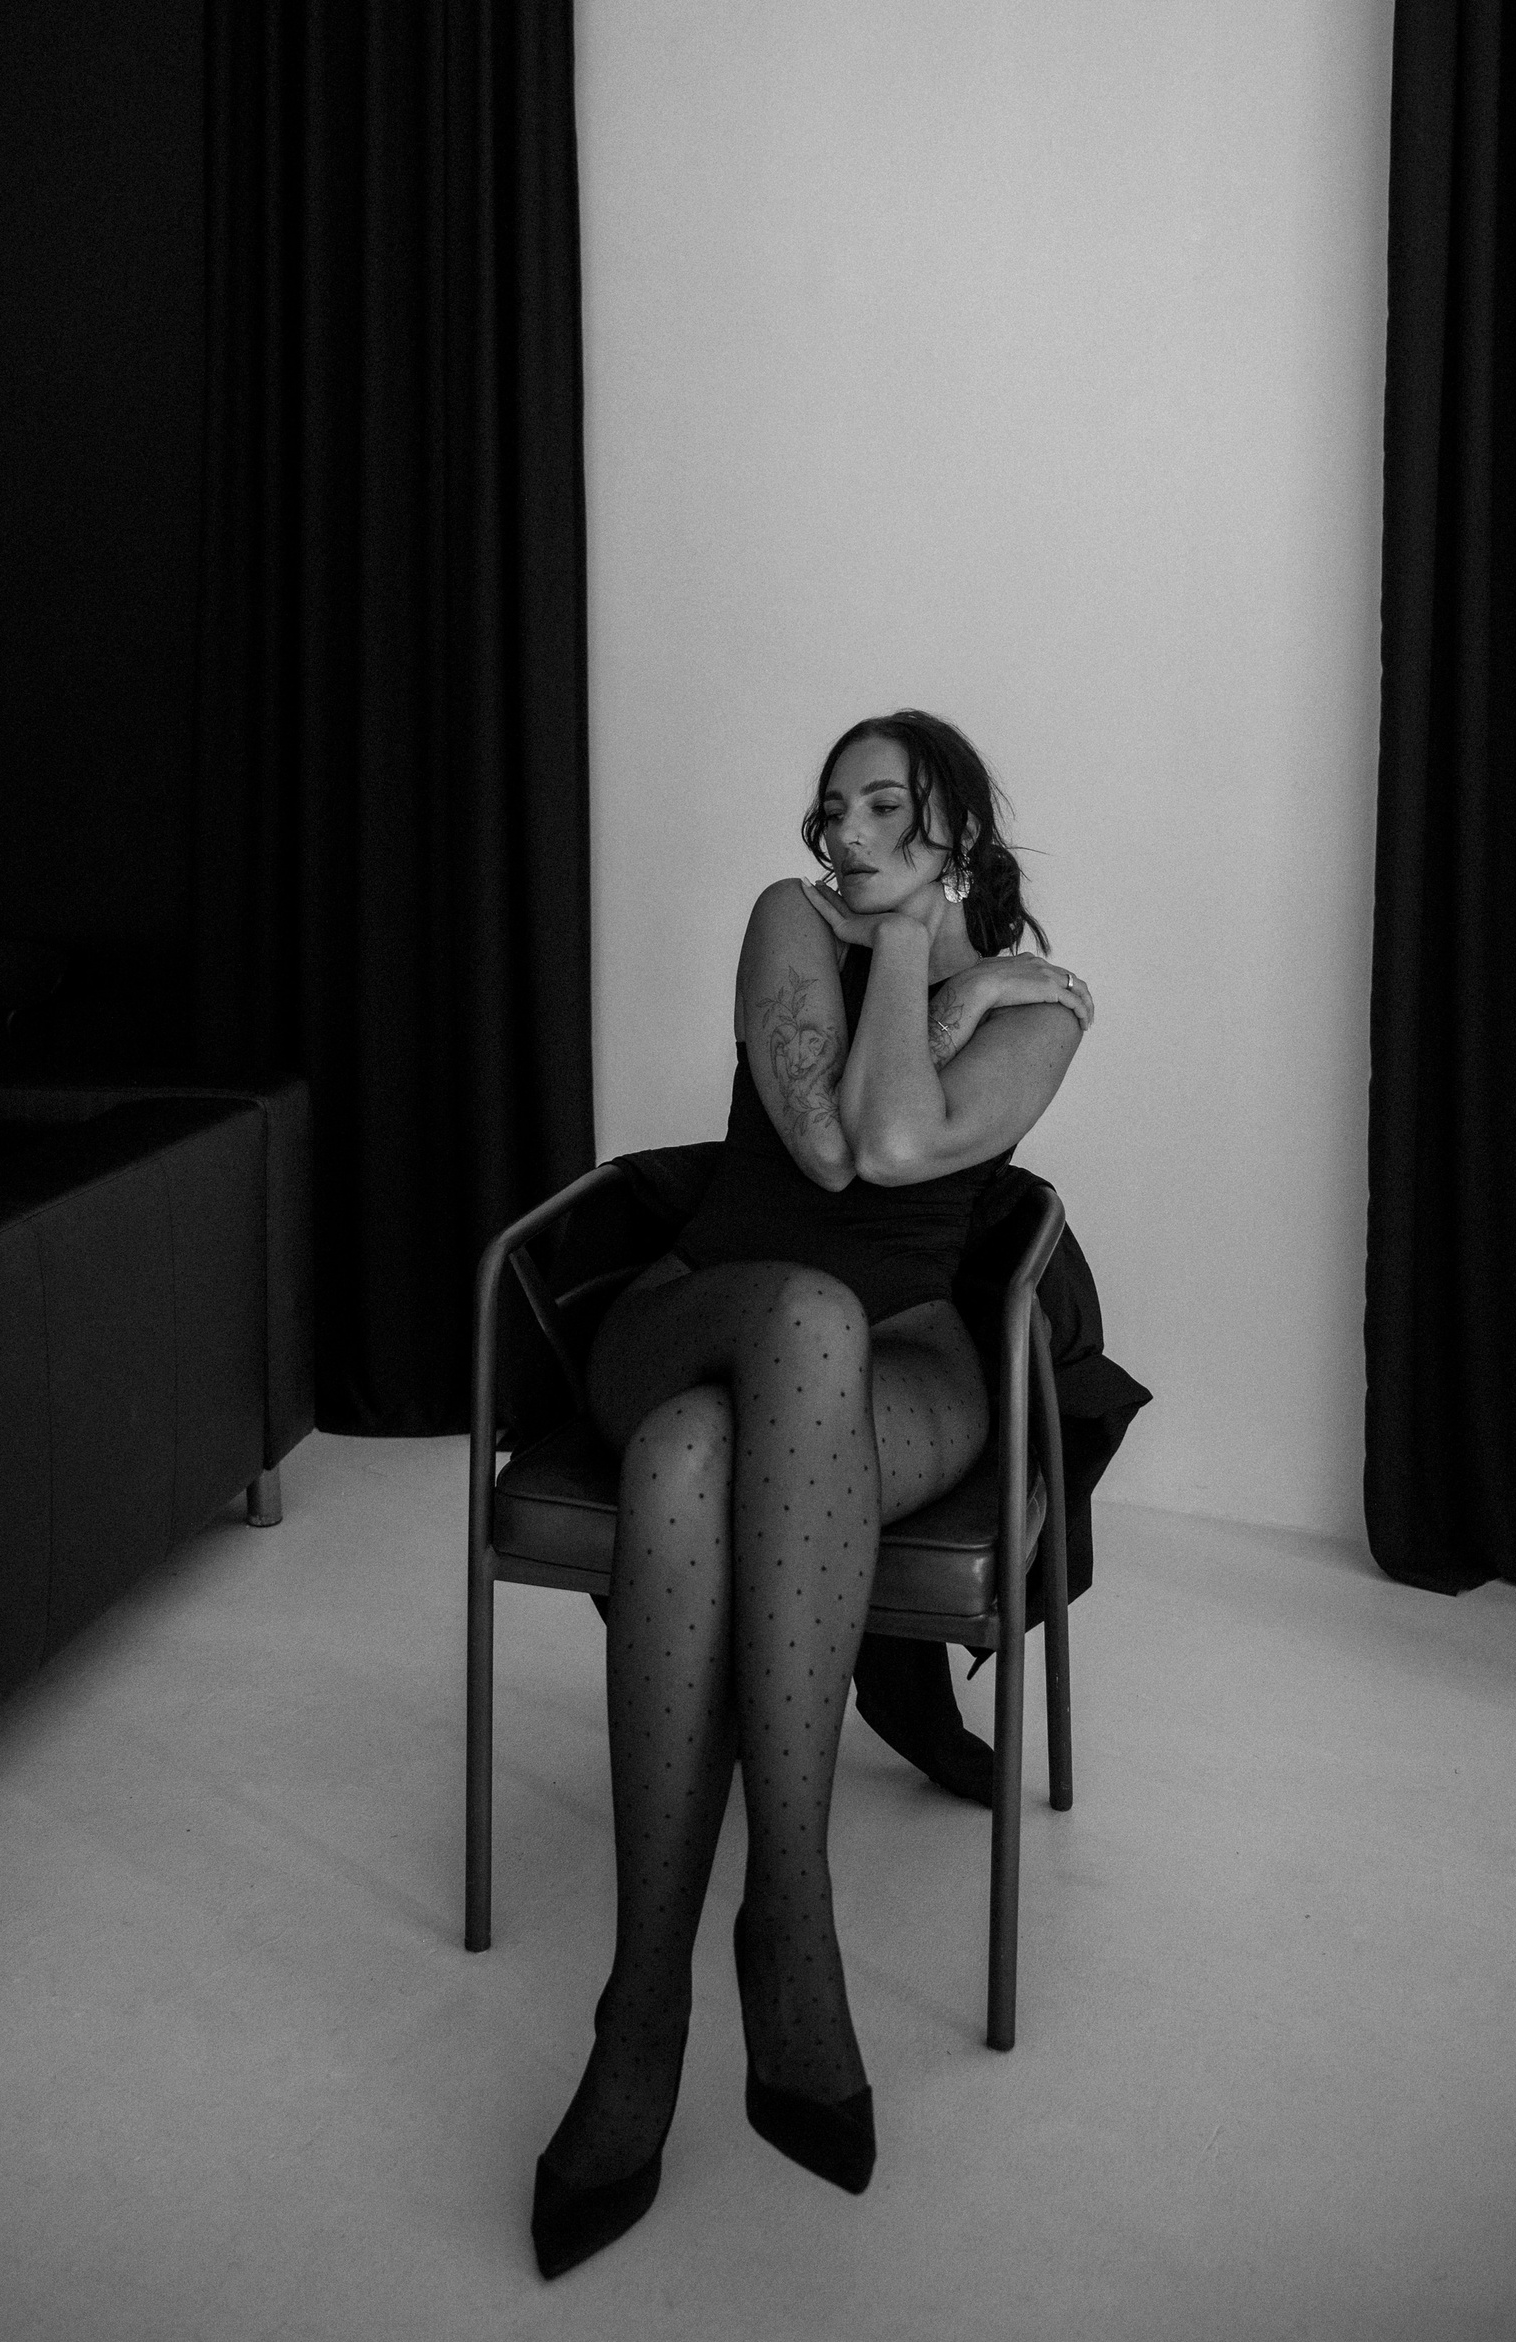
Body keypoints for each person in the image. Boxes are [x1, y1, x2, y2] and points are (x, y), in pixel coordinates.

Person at [530, 708, 1095, 2277]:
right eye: (832, 807)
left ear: (956, 830)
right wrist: (922, 960)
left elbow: (909, 1137)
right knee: (801, 1310)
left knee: (688, 1458)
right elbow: (838, 1154)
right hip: (700, 1304)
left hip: (911, 1359)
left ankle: (649, 2002)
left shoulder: (1040, 1008)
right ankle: (786, 1921)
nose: (843, 833)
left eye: (884, 807)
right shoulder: (789, 920)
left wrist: (945, 963)